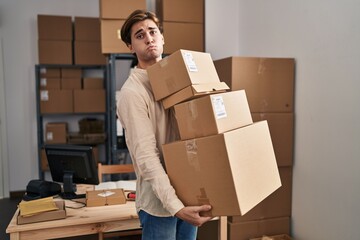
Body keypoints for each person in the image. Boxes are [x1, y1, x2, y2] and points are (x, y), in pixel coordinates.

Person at [117, 9, 212, 240]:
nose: (148, 38)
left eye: (153, 31)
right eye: (139, 35)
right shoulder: (132, 93)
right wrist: (175, 206)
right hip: (159, 204)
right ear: (131, 47)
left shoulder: (180, 81)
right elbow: (146, 156)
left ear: (162, 37)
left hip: (188, 192)